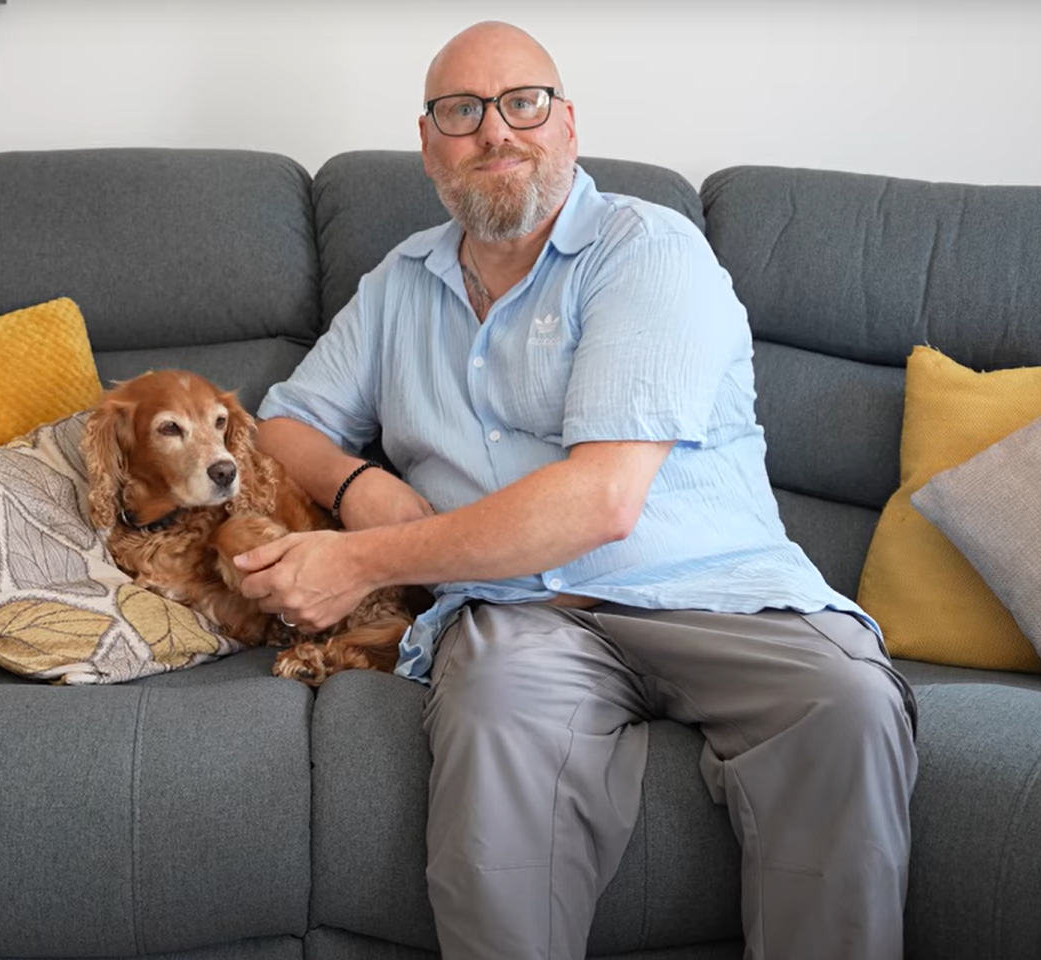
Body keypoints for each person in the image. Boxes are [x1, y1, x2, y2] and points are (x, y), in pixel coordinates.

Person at [234, 20, 918, 960]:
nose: (496, 133)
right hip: (520, 618)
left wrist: (359, 560)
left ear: (567, 126)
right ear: (429, 146)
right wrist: (357, 485)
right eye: (462, 112)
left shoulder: (648, 249)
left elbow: (600, 502)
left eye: (524, 103)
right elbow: (280, 423)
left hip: (723, 597)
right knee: (492, 758)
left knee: (850, 705)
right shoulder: (400, 283)